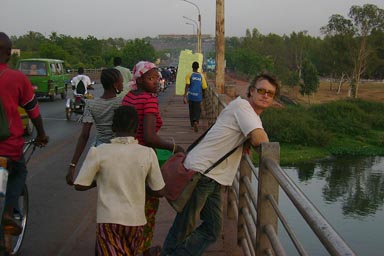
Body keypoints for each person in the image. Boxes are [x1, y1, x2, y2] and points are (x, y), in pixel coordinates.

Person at [162, 73, 280, 256]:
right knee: (184, 226)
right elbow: (260, 139)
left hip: (214, 177)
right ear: (251, 92)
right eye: (261, 90)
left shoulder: (244, 109)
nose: (265, 96)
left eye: (270, 94)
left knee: (213, 229)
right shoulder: (244, 108)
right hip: (201, 173)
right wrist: (253, 137)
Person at [74, 105, 165, 255]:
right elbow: (159, 191)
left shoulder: (99, 151)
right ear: (137, 129)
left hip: (108, 220)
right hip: (136, 221)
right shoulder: (147, 153)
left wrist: (103, 178)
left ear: (113, 127)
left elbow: (80, 185)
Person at [122, 61, 184, 256]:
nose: (156, 82)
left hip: (126, 156)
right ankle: (142, 249)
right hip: (144, 159)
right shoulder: (149, 100)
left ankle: (127, 246)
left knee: (130, 206)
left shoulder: (128, 97)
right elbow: (149, 137)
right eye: (151, 78)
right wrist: (175, 147)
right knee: (148, 207)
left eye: (158, 78)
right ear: (139, 80)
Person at [0, 32, 49, 237]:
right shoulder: (17, 78)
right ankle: (9, 212)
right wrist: (41, 134)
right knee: (19, 172)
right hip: (8, 146)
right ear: (9, 54)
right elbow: (33, 111)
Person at [66, 68, 124, 185]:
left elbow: (84, 135)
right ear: (115, 84)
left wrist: (73, 165)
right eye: (121, 82)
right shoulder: (122, 103)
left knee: (102, 185)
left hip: (100, 150)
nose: (122, 84)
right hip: (119, 150)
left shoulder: (91, 104)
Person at [183, 61, 207, 132]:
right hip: (198, 96)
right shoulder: (201, 76)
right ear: (198, 67)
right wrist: (203, 96)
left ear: (192, 67)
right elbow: (204, 87)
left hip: (191, 95)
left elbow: (187, 85)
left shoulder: (189, 74)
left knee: (191, 109)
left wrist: (184, 96)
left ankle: (193, 123)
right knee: (198, 110)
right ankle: (196, 121)